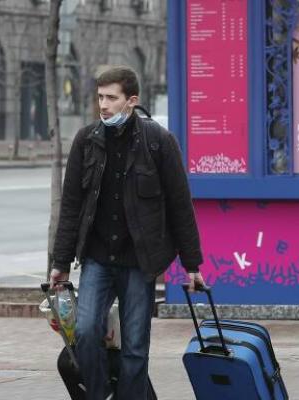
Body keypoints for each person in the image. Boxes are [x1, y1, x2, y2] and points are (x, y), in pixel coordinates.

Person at [50, 65, 206, 399]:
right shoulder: (86, 140)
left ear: (131, 101)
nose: (103, 105)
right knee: (86, 330)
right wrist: (60, 262)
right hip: (97, 258)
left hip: (140, 261)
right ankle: (98, 394)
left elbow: (180, 205)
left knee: (135, 346)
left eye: (111, 98)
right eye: (100, 98)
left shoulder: (159, 142)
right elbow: (72, 207)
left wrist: (192, 265)